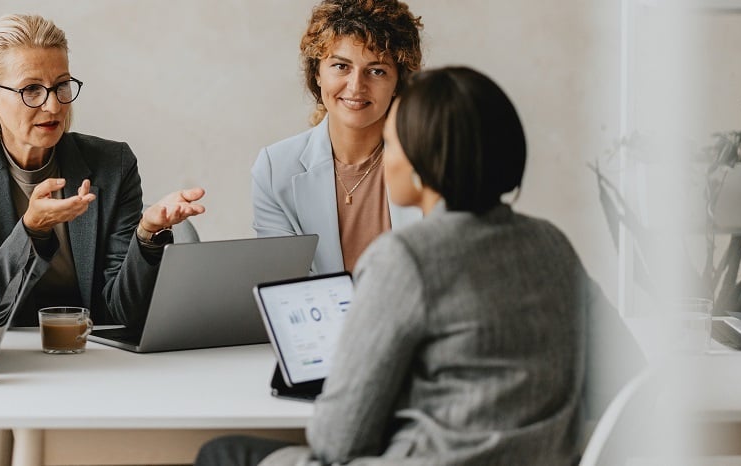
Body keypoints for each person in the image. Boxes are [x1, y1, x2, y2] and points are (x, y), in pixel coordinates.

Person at [197, 67, 590, 465]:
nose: (384, 157)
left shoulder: (407, 257)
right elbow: (623, 370)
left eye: (390, 142)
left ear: (422, 165)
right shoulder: (554, 244)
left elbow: (337, 439)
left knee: (223, 453)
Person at [0, 13, 207, 466]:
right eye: (31, 90)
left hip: (95, 356)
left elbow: (120, 308)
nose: (54, 106)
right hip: (12, 360)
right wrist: (32, 230)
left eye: (61, 86)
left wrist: (148, 235)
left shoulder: (112, 163)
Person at [253, 0, 425, 274]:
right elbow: (283, 286)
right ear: (317, 73)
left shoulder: (429, 160)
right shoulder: (276, 169)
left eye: (377, 70)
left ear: (398, 83)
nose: (356, 86)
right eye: (341, 66)